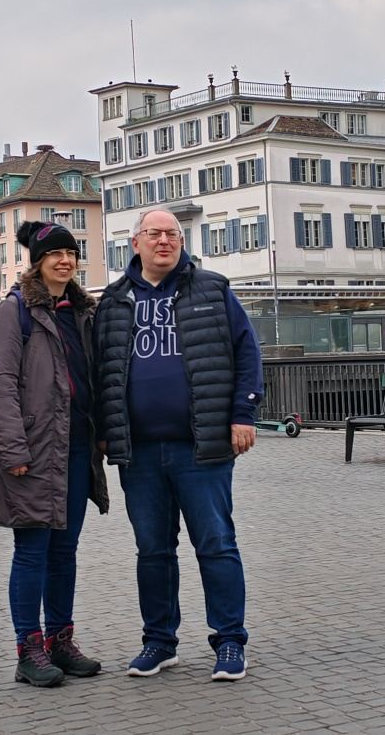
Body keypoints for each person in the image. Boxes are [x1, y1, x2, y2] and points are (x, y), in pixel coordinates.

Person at [94, 208, 263, 682]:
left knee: (216, 545)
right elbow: (102, 373)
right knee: (152, 550)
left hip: (201, 445)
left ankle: (230, 642)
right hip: (140, 451)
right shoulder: (113, 301)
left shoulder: (213, 289)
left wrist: (242, 414)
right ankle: (159, 642)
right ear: (136, 243)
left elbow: (247, 352)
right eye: (154, 234)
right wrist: (106, 431)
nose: (164, 241)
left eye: (172, 234)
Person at [0, 220, 109, 688]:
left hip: (74, 449)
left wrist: (102, 435)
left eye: (71, 253)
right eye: (54, 254)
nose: (64, 260)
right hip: (31, 450)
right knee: (32, 551)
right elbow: (1, 382)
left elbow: (92, 379)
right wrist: (13, 446)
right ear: (37, 261)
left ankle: (61, 641)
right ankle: (28, 648)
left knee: (65, 550)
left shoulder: (81, 311)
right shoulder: (16, 310)